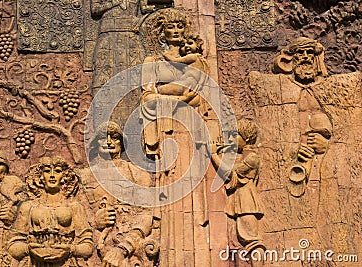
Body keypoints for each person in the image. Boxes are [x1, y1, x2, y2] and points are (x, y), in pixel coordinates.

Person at [250, 37, 362, 256]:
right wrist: (291, 149)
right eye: (299, 54)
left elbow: (352, 136)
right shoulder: (276, 89)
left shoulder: (337, 89)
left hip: (328, 173)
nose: (305, 59)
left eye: (310, 54)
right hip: (294, 174)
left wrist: (328, 145)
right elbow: (270, 139)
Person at [140, 8, 217, 266]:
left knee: (194, 183)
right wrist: (175, 99)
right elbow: (148, 96)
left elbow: (202, 94)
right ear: (162, 32)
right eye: (170, 28)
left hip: (191, 128)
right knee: (170, 180)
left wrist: (184, 98)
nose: (175, 32)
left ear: (185, 31)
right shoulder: (152, 62)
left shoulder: (196, 61)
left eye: (180, 28)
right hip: (166, 127)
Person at [77, 121, 159, 267]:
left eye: (114, 137)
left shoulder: (138, 174)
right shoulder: (84, 176)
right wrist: (94, 222)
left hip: (130, 245)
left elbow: (146, 215)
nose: (109, 141)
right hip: (94, 242)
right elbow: (77, 212)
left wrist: (123, 248)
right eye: (103, 137)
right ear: (96, 143)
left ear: (121, 143)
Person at [8, 157, 94, 267]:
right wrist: (28, 249)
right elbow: (13, 244)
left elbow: (87, 246)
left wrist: (71, 249)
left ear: (64, 176)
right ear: (41, 177)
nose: (52, 175)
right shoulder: (28, 207)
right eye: (47, 171)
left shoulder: (74, 207)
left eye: (57, 171)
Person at [211, 119, 265, 267]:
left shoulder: (252, 157)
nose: (232, 140)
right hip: (238, 202)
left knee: (252, 240)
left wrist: (214, 155)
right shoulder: (242, 156)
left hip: (247, 203)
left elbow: (230, 173)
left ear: (246, 138)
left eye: (235, 136)